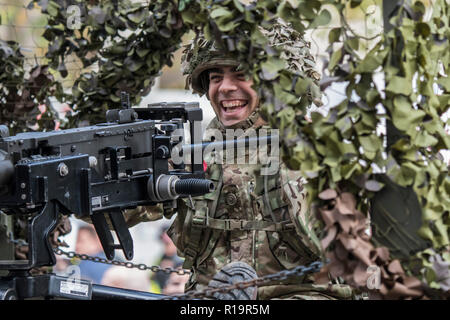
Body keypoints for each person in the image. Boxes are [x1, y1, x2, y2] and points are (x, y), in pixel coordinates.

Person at [124, 20, 356, 300]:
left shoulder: (317, 152)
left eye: (241, 74)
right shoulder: (194, 154)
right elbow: (122, 212)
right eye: (215, 77)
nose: (225, 88)